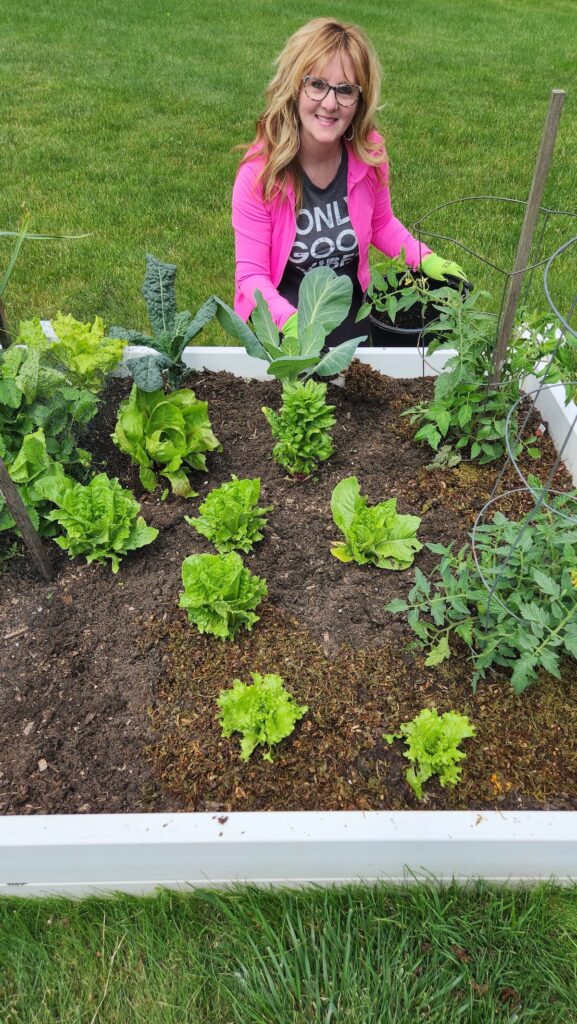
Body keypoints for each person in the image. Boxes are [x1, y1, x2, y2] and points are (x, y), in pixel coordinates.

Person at [232, 17, 466, 347]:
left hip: (348, 312)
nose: (330, 103)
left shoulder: (368, 154)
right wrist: (292, 323)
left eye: (345, 90)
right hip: (280, 323)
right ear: (294, 87)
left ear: (359, 99)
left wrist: (423, 257)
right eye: (316, 85)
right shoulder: (259, 176)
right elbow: (251, 276)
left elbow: (381, 223)